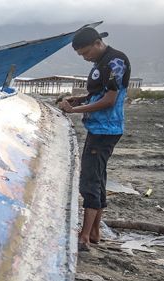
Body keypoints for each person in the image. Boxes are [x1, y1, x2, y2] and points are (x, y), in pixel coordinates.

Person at [58, 27, 131, 252]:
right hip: (100, 128)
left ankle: (85, 236)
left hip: (105, 130)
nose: (85, 57)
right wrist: (80, 99)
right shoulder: (101, 62)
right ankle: (95, 232)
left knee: (89, 181)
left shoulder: (116, 61)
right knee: (98, 179)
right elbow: (98, 93)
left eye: (86, 52)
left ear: (98, 43)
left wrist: (74, 110)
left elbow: (109, 100)